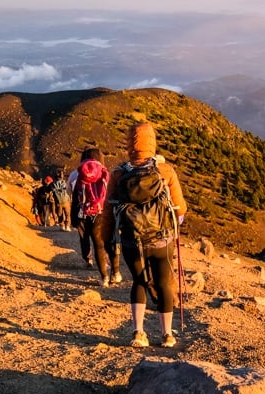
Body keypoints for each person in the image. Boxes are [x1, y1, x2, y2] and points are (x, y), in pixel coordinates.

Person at [103, 122, 186, 349]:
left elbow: (108, 212)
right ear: (152, 142)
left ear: (129, 143)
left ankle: (138, 333)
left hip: (132, 240)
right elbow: (180, 207)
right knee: (164, 284)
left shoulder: (119, 173)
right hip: (162, 240)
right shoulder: (164, 171)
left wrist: (107, 239)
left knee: (139, 282)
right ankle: (167, 335)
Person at [70, 148, 121, 286]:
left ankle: (104, 277)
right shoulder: (106, 173)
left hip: (87, 214)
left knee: (98, 245)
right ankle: (115, 273)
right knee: (111, 243)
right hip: (105, 213)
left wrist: (73, 217)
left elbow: (75, 198)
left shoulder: (79, 174)